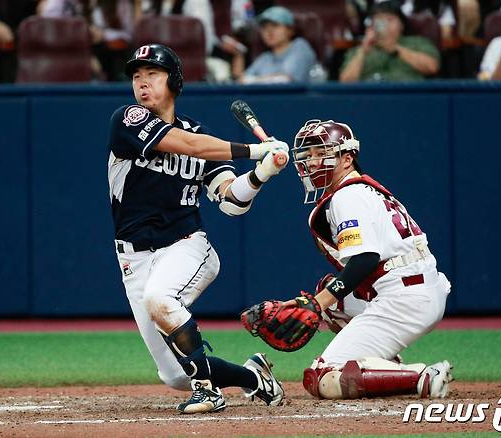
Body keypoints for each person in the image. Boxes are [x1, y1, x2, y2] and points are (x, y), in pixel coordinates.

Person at [107, 43, 288, 413]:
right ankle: (254, 377)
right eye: (137, 77)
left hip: (186, 245)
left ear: (173, 81)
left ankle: (208, 391)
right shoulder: (127, 120)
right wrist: (256, 152)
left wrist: (263, 173)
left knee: (160, 299)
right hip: (134, 257)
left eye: (152, 75)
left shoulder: (201, 134)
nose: (142, 84)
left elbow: (231, 201)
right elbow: (192, 146)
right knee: (175, 375)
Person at [272, 119, 453, 400]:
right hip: (413, 286)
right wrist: (317, 303)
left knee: (323, 376)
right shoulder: (360, 190)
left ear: (347, 158)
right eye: (309, 155)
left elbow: (365, 260)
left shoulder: (348, 196)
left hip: (405, 298)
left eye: (322, 153)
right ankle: (385, 366)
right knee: (331, 296)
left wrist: (316, 304)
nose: (312, 161)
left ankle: (423, 378)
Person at [340, 0, 440, 82]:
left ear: (401, 24)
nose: (385, 25)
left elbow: (432, 67)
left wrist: (396, 49)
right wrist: (363, 51)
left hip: (406, 96)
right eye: (379, 20)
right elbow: (346, 81)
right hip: (370, 98)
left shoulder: (417, 43)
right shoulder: (361, 49)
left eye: (390, 19)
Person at [38, 0, 135, 81]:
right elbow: (48, 20)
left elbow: (129, 35)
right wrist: (84, 32)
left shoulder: (119, 3)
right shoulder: (74, 4)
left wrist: (103, 35)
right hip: (77, 50)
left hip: (108, 54)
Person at [235, 6, 319, 83]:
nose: (269, 31)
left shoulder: (300, 46)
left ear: (290, 30)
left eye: (275, 25)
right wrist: (238, 54)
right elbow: (242, 80)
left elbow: (286, 80)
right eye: (264, 27)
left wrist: (252, 80)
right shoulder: (265, 58)